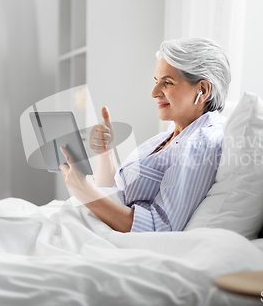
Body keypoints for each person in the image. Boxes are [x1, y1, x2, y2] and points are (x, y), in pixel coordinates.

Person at [59, 37, 230, 233]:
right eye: (157, 81)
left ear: (202, 90)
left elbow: (159, 228)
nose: (154, 92)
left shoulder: (200, 143)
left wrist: (86, 193)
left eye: (167, 83)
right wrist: (105, 153)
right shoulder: (170, 136)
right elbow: (116, 192)